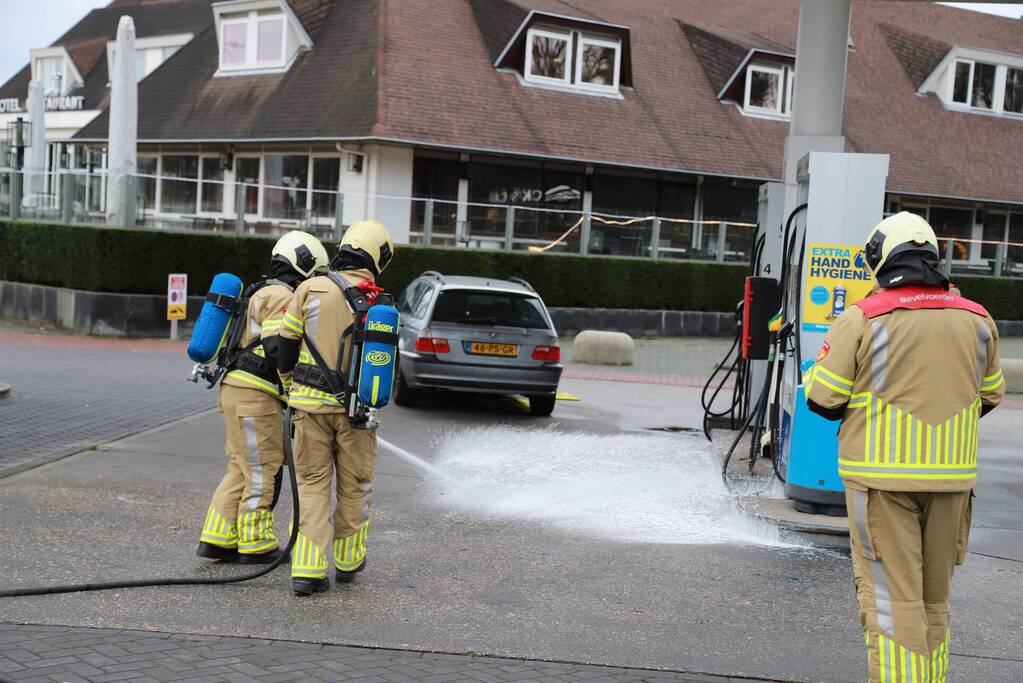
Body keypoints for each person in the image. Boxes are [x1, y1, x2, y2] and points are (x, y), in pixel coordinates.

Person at [805, 212, 1004, 682]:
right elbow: (990, 395)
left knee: (892, 603)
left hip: (880, 485)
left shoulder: (863, 317)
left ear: (880, 260)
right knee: (934, 599)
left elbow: (823, 399)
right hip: (953, 484)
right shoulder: (977, 319)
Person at [276, 220, 395, 596]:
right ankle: (347, 563)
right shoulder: (379, 300)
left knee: (312, 485)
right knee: (355, 485)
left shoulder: (310, 288)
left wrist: (288, 386)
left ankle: (307, 571)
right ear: (377, 256)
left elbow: (284, 346)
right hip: (358, 415)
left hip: (308, 409)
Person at [197, 230, 329, 564]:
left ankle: (218, 535)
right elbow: (275, 347)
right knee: (264, 468)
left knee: (241, 467)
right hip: (257, 395)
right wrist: (294, 383)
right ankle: (256, 541)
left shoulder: (259, 291)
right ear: (305, 265)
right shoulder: (282, 296)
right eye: (313, 275)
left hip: (235, 390)